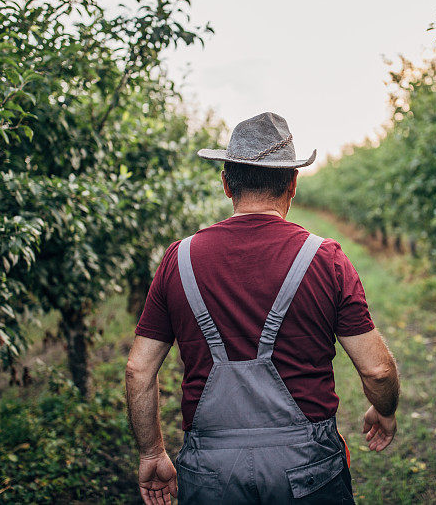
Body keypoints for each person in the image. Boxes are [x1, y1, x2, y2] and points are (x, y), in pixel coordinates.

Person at [125, 112, 399, 504]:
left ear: (226, 184)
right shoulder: (325, 259)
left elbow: (138, 370)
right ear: (293, 183)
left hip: (210, 472)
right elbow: (377, 369)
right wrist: (383, 408)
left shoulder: (179, 259)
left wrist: (152, 451)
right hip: (308, 467)